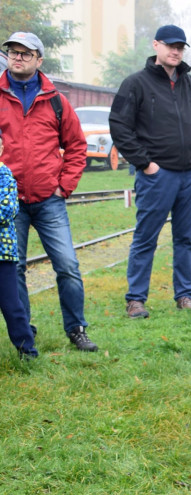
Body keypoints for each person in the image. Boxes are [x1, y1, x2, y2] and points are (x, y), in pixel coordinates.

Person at [108, 24, 191, 319]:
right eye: (170, 45)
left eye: (180, 47)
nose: (176, 51)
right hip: (158, 175)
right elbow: (119, 126)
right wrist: (145, 163)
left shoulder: (190, 84)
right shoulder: (136, 84)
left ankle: (185, 296)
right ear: (156, 45)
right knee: (146, 237)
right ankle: (136, 300)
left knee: (185, 239)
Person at [0, 31, 96, 351]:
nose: (18, 58)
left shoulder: (55, 99)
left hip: (48, 200)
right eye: (13, 52)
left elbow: (77, 146)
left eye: (26, 54)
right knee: (13, 269)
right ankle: (24, 330)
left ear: (39, 60)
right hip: (9, 204)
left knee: (67, 265)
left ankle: (76, 328)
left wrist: (63, 187)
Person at [0, 126, 38, 358]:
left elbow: (7, 210)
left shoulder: (4, 176)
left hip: (2, 253)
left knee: (12, 305)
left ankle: (27, 350)